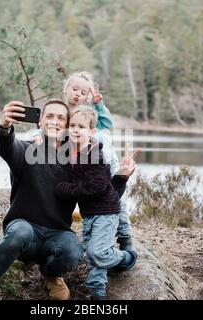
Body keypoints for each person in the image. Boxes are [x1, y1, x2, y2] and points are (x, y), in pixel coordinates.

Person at [0, 99, 82, 300]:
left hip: (56, 234)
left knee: (73, 250)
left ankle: (51, 275)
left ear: (68, 125)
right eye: (50, 116)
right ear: (40, 122)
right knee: (20, 232)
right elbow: (8, 146)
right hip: (25, 230)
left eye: (61, 118)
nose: (55, 121)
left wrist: (121, 178)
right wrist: (5, 126)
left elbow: (99, 191)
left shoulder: (76, 161)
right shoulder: (26, 150)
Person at [32, 71, 135, 251]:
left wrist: (99, 104)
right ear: (66, 90)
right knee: (87, 196)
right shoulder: (61, 112)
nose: (78, 94)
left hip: (105, 159)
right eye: (74, 89)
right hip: (81, 162)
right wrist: (37, 137)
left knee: (116, 196)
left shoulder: (89, 113)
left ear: (88, 96)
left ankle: (124, 234)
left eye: (83, 92)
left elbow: (107, 124)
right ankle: (91, 235)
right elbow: (48, 127)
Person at [54, 105, 137, 300]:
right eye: (72, 125)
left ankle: (126, 257)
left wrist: (63, 189)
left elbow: (95, 188)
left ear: (92, 132)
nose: (75, 129)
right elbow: (46, 132)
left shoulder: (95, 155)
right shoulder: (72, 150)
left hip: (106, 211)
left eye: (81, 127)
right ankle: (97, 290)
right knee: (92, 255)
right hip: (89, 213)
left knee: (97, 252)